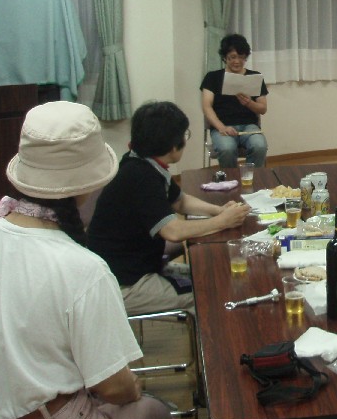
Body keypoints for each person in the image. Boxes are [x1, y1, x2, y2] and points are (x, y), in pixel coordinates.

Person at [0, 101, 174, 419]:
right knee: (154, 414)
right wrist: (132, 388)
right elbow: (114, 387)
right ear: (89, 184)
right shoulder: (84, 268)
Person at [88, 101, 250, 315]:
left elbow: (179, 201)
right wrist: (222, 222)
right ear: (174, 146)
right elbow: (173, 232)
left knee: (211, 274)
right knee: (209, 291)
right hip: (123, 283)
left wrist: (219, 211)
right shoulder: (140, 177)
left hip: (135, 264)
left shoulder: (142, 162)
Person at [201, 33, 269, 167]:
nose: (237, 61)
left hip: (249, 126)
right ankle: (232, 179)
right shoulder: (212, 77)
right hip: (222, 125)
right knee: (227, 149)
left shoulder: (254, 77)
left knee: (259, 146)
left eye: (241, 57)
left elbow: (263, 109)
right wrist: (221, 127)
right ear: (224, 57)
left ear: (245, 57)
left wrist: (249, 103)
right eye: (232, 57)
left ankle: (252, 177)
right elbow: (206, 106)